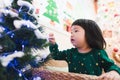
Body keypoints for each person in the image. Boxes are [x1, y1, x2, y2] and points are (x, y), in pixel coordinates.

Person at [49, 19, 120, 80]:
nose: (72, 34)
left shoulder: (99, 53)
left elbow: (111, 65)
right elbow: (55, 55)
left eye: (76, 31)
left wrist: (114, 72)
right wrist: (52, 45)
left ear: (90, 34)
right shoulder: (70, 53)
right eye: (71, 32)